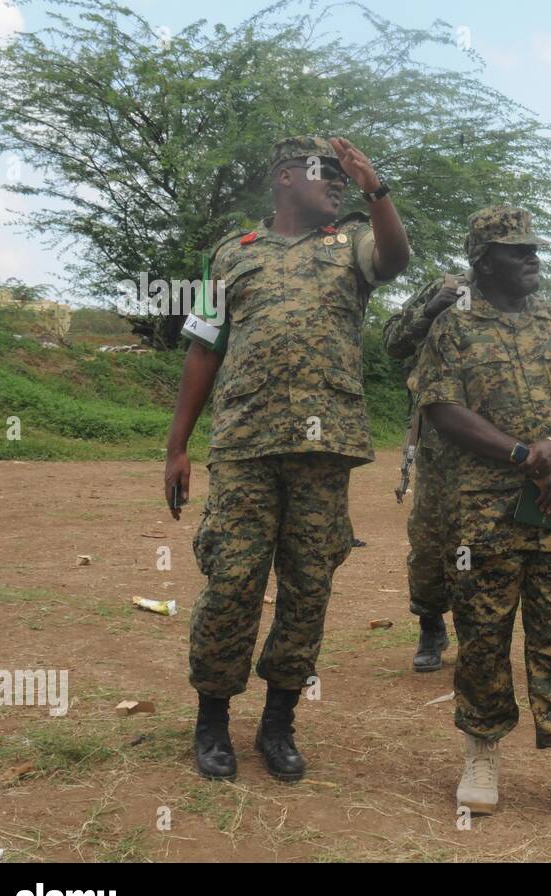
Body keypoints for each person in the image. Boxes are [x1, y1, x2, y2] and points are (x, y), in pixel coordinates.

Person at [165, 135, 408, 781]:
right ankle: (212, 716)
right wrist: (176, 446)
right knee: (232, 579)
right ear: (282, 177)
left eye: (340, 176)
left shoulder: (351, 241)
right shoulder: (230, 256)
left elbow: (394, 259)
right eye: (323, 173)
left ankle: (278, 721)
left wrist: (374, 188)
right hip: (245, 443)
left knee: (307, 587)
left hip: (322, 448)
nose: (335, 182)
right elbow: (203, 351)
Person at [412, 205, 551, 825]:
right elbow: (443, 408)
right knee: (481, 635)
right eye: (516, 250)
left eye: (534, 249)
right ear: (484, 261)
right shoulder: (454, 328)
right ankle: (481, 754)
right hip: (486, 512)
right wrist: (528, 455)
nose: (532, 259)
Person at [382, 277, 466, 672]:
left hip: (498, 443)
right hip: (437, 442)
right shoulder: (444, 287)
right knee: (430, 539)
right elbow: (393, 342)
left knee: (484, 542)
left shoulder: (518, 299)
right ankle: (430, 625)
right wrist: (431, 308)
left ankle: (478, 632)